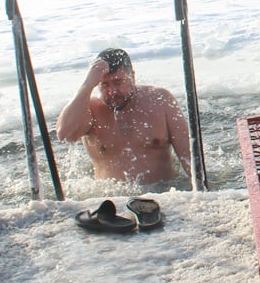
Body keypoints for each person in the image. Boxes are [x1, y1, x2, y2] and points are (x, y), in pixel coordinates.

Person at [56, 48, 192, 185]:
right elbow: (63, 134)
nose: (112, 92)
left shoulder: (160, 100)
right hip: (111, 199)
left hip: (164, 193)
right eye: (104, 85)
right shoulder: (89, 109)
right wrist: (87, 84)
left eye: (118, 82)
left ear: (132, 77)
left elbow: (191, 157)